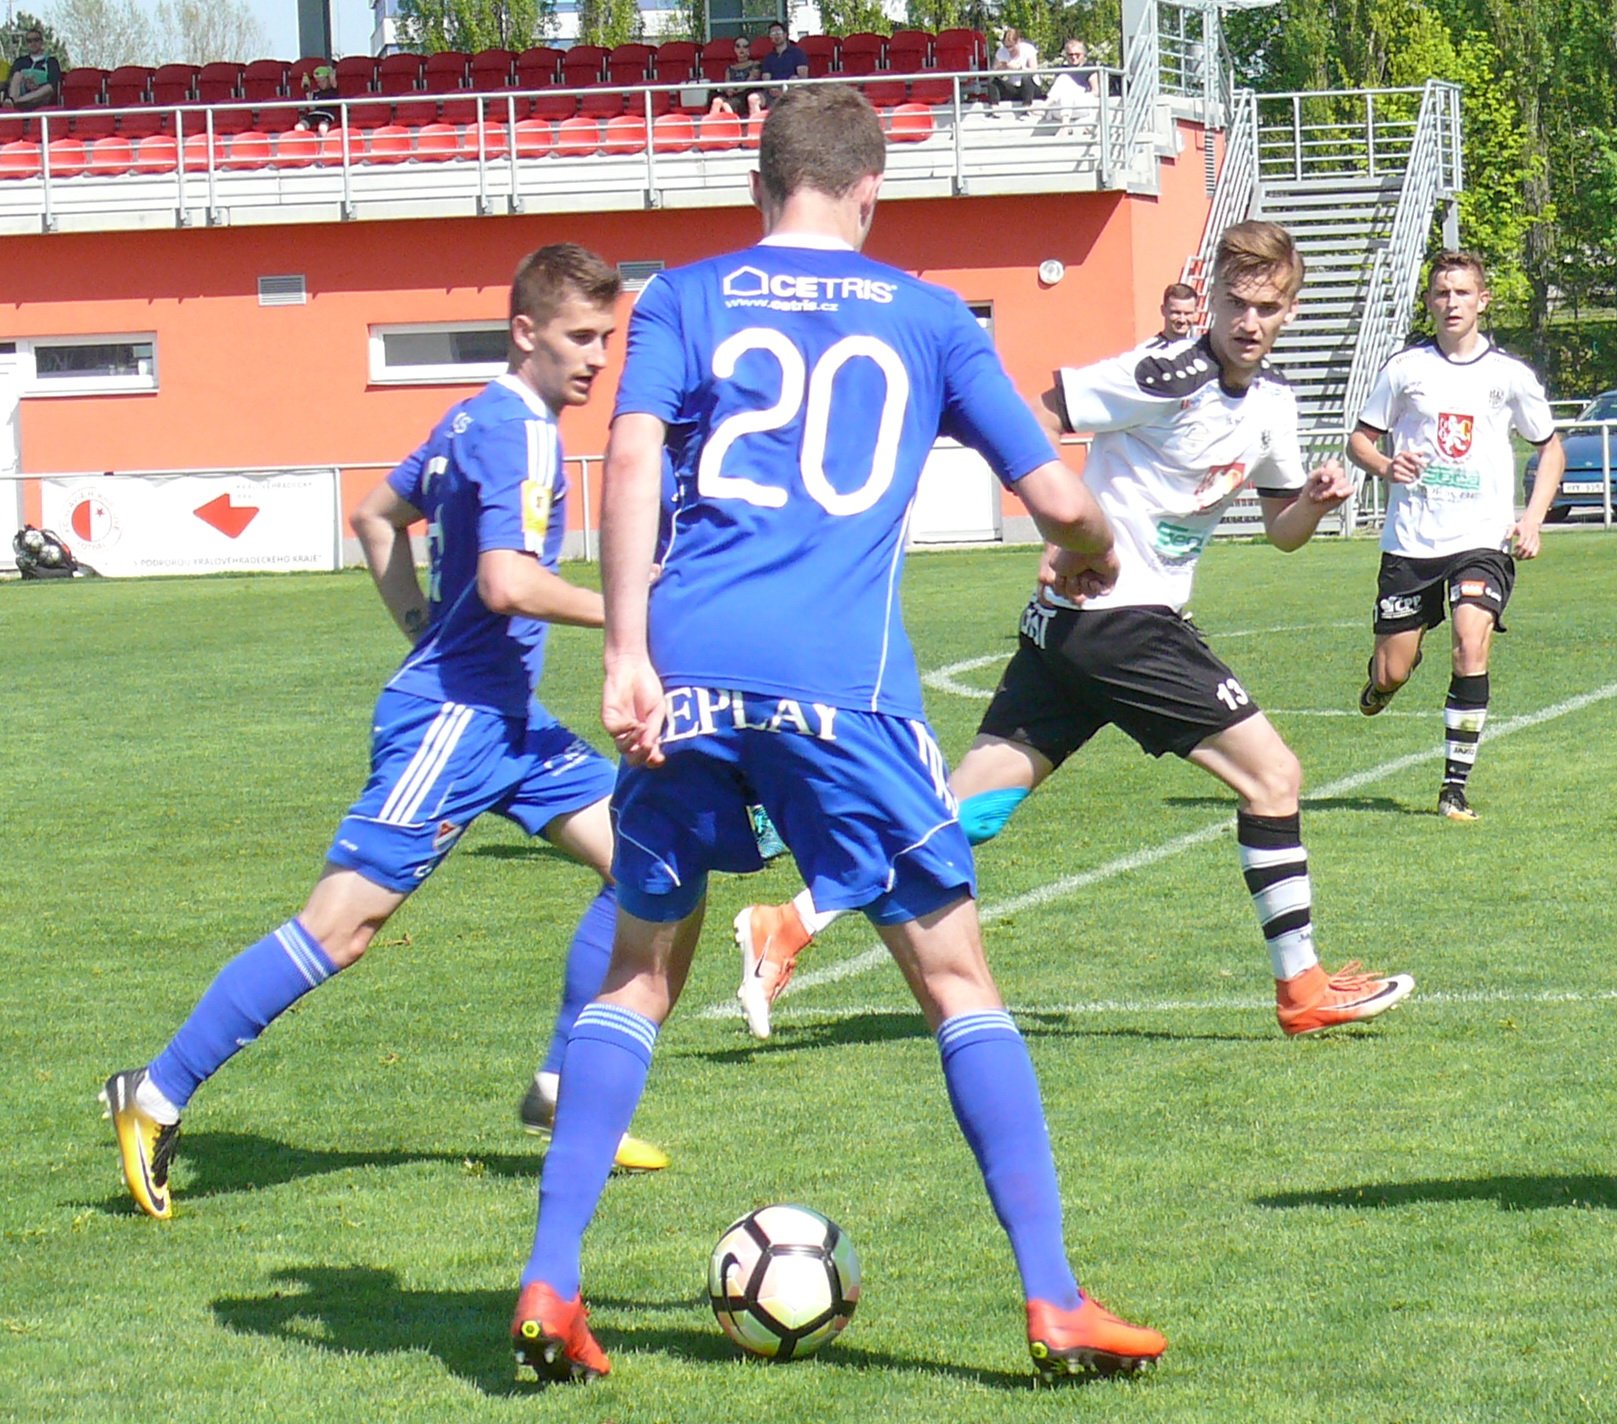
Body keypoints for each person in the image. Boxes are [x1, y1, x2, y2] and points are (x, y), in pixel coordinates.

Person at [509, 84, 1165, 1386]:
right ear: (872, 191)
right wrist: (1087, 547)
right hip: (839, 687)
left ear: (759, 185)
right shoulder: (927, 316)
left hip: (688, 669)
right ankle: (1052, 1298)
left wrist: (627, 648)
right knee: (955, 979)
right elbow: (1056, 495)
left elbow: (629, 462)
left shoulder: (683, 297)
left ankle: (551, 1278)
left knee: (639, 975)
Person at [731, 219, 1415, 1046]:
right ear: (1212, 298)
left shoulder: (1272, 404)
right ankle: (1301, 987)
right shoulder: (1164, 374)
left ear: (1290, 312)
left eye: (1266, 308)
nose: (1248, 321)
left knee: (964, 812)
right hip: (1122, 619)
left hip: (1074, 632)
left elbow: (1281, 533)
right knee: (1273, 777)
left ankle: (787, 924)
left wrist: (1313, 501)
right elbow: (1035, 415)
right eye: (1236, 302)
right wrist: (1066, 529)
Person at [100, 245, 668, 1223]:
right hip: (454, 723)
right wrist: (629, 610)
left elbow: (373, 517)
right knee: (341, 926)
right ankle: (152, 1093)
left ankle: (567, 1086)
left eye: (606, 338)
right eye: (580, 337)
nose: (596, 357)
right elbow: (506, 582)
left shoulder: (469, 417)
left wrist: (423, 630)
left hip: (506, 721)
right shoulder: (521, 432)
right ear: (524, 331)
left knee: (647, 865)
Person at [1346, 251, 1565, 821]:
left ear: (1482, 301)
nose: (1452, 303)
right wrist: (1385, 465)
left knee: (1471, 640)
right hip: (1412, 540)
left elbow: (1550, 449)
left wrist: (1532, 519)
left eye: (1462, 293)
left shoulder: (1510, 376)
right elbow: (1360, 441)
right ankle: (1385, 682)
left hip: (1480, 539)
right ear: (1429, 302)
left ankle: (1453, 786)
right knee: (1392, 669)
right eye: (1442, 293)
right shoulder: (1404, 369)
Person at [1042, 36, 1098, 131]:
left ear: (1083, 54)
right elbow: (1058, 92)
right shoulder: (1061, 69)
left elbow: (1095, 91)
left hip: (1080, 105)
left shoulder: (1089, 69)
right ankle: (1065, 124)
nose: (1073, 57)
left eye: (1077, 54)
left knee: (1065, 80)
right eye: (1070, 55)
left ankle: (1045, 107)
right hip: (1061, 108)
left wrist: (1078, 94)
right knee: (1065, 84)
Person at [4, 26, 61, 111]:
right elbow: (11, 82)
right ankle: (13, 100)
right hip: (22, 93)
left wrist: (37, 86)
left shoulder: (51, 61)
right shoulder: (19, 62)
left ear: (41, 42)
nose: (33, 43)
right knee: (17, 75)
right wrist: (25, 82)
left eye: (36, 40)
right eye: (29, 41)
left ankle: (15, 101)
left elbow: (53, 85)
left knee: (48, 87)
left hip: (42, 98)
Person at [717, 34, 768, 119]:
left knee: (726, 105)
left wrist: (735, 90)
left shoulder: (755, 64)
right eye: (738, 46)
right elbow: (727, 84)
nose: (741, 49)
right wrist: (729, 90)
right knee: (716, 102)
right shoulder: (730, 68)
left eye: (745, 46)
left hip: (747, 94)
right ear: (734, 49)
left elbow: (749, 82)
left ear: (749, 49)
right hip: (733, 95)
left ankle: (733, 126)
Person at [1137, 281, 1200, 348]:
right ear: (1163, 310)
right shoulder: (1146, 351)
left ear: (1196, 313)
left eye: (1187, 313)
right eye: (1176, 313)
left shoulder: (1201, 349)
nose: (1182, 320)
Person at [993, 25, 1038, 105]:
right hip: (1012, 87)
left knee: (1026, 78)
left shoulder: (1028, 49)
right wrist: (1002, 68)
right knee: (993, 81)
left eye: (1011, 46)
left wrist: (1020, 69)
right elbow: (994, 71)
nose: (1009, 50)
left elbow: (1034, 70)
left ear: (1018, 41)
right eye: (1006, 47)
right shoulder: (1002, 51)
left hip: (1030, 88)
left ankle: (1027, 106)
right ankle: (994, 107)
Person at [755, 21, 808, 87]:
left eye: (779, 33)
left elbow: (803, 79)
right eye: (773, 34)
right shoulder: (768, 58)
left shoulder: (798, 54)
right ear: (770, 37)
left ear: (785, 35)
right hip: (774, 90)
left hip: (793, 89)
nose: (776, 36)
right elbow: (766, 81)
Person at [296, 62, 340, 133]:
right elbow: (312, 108)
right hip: (314, 114)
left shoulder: (333, 90)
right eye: (318, 82)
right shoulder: (315, 93)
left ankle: (324, 140)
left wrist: (329, 71)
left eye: (323, 81)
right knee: (299, 127)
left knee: (322, 128)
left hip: (327, 115)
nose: (320, 84)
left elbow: (333, 77)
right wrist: (307, 92)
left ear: (328, 79)